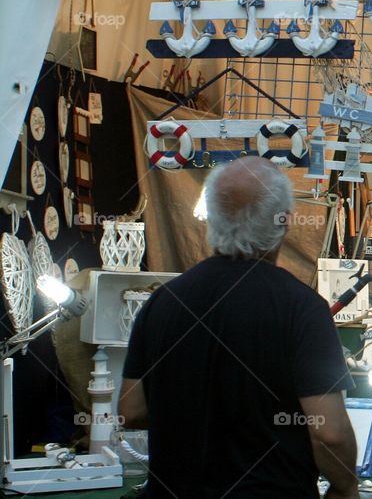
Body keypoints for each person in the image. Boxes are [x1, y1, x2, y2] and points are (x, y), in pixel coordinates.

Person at [118, 157, 359, 498]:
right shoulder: (302, 308)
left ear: (210, 219)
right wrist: (346, 486)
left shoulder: (162, 303)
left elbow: (131, 412)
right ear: (285, 222)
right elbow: (329, 433)